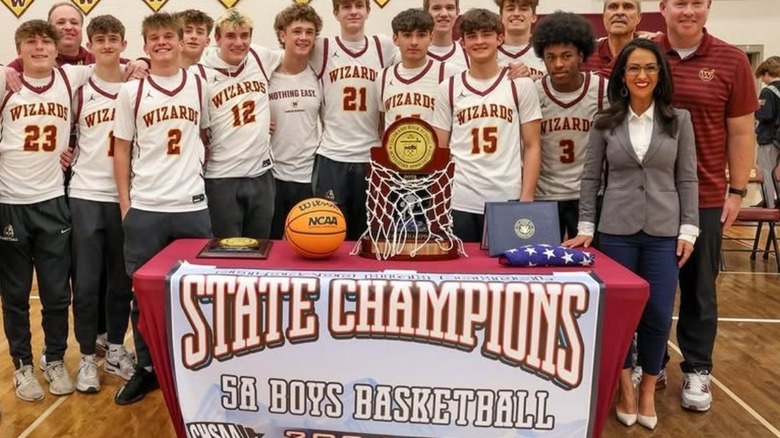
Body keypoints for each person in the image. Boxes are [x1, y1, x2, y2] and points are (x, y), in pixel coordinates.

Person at [565, 38, 698, 430]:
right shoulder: (605, 122)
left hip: (663, 232)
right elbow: (590, 179)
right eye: (634, 68)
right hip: (617, 231)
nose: (642, 75)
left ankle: (647, 390)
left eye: (650, 68)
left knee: (657, 315)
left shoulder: (679, 120)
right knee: (620, 315)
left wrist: (689, 227)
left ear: (660, 75)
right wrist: (587, 226)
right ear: (623, 75)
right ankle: (624, 387)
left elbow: (687, 178)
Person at [656, 0, 758, 412]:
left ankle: (697, 369)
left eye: (697, 2)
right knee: (653, 288)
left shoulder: (732, 60)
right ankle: (652, 362)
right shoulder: (645, 56)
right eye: (679, 2)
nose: (688, 10)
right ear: (663, 7)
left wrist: (737, 191)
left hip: (705, 197)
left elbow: (741, 132)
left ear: (708, 8)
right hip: (650, 197)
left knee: (699, 292)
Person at [113, 12, 212, 405]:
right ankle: (148, 368)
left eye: (168, 36)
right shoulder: (131, 92)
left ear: (180, 38)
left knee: (195, 292)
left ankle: (197, 364)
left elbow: (204, 136)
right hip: (147, 206)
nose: (162, 43)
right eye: (153, 37)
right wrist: (126, 205)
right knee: (144, 294)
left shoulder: (199, 84)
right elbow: (121, 149)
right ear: (145, 43)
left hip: (191, 204)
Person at [0, 19, 94, 402]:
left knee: (57, 293)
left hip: (54, 200)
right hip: (10, 203)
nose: (39, 48)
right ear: (19, 49)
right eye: (31, 43)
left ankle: (53, 357)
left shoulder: (70, 78)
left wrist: (136, 65)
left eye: (46, 43)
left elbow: (117, 62)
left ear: (58, 49)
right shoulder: (6, 82)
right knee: (16, 294)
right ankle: (22, 363)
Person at [431, 8, 542, 242]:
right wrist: (438, 200)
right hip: (459, 199)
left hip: (506, 198)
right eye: (472, 36)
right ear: (462, 42)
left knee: (507, 275)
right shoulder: (448, 88)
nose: (479, 41)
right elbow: (440, 150)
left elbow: (532, 146)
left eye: (486, 34)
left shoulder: (520, 85)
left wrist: (527, 199)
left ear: (499, 38)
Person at [69, 14, 136, 394]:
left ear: (124, 44)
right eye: (100, 40)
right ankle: (86, 359)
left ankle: (114, 348)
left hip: (123, 195)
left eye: (114, 39)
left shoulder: (137, 83)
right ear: (89, 46)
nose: (107, 45)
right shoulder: (79, 83)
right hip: (85, 192)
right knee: (88, 281)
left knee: (120, 280)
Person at [309, 0, 396, 241]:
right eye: (346, 6)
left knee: (369, 235)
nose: (354, 11)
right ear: (336, 13)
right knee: (329, 233)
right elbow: (283, 59)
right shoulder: (322, 48)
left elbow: (420, 61)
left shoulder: (383, 47)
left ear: (369, 10)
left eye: (359, 5)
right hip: (331, 155)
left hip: (370, 157)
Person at [196, 8, 281, 240]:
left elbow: (299, 53)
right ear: (217, 39)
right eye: (231, 36)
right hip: (222, 175)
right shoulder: (200, 70)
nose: (239, 42)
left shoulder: (260, 57)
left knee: (261, 246)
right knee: (227, 249)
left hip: (261, 173)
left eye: (245, 36)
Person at [532, 11, 605, 239]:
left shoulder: (602, 89)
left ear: (581, 55)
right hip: (545, 195)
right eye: (550, 57)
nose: (558, 64)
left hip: (589, 196)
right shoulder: (534, 91)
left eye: (566, 56)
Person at [268, 4, 324, 239]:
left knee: (307, 244)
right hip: (272, 174)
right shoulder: (266, 73)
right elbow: (211, 55)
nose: (303, 38)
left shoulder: (319, 74)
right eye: (297, 31)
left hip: (308, 175)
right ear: (283, 35)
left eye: (309, 32)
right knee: (270, 244)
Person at [377, 8, 459, 130]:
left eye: (421, 35)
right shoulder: (383, 76)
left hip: (434, 148)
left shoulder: (448, 73)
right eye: (407, 35)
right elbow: (381, 124)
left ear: (431, 38)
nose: (414, 42)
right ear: (395, 39)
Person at [581, 0, 642, 77]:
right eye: (613, 7)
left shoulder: (650, 53)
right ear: (604, 16)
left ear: (638, 17)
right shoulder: (585, 54)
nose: (619, 12)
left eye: (628, 7)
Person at [495, 0, 546, 80]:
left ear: (534, 17)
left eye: (523, 9)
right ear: (501, 17)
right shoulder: (488, 55)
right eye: (510, 9)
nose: (516, 14)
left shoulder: (545, 55)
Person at [755, 56, 780, 207]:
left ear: (766, 73)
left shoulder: (767, 92)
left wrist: (755, 109)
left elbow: (766, 114)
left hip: (769, 138)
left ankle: (769, 205)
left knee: (767, 173)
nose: (763, 80)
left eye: (762, 77)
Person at [424, 0, 469, 74]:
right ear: (426, 13)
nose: (444, 14)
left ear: (457, 13)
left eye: (449, 8)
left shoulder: (469, 55)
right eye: (436, 8)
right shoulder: (409, 53)